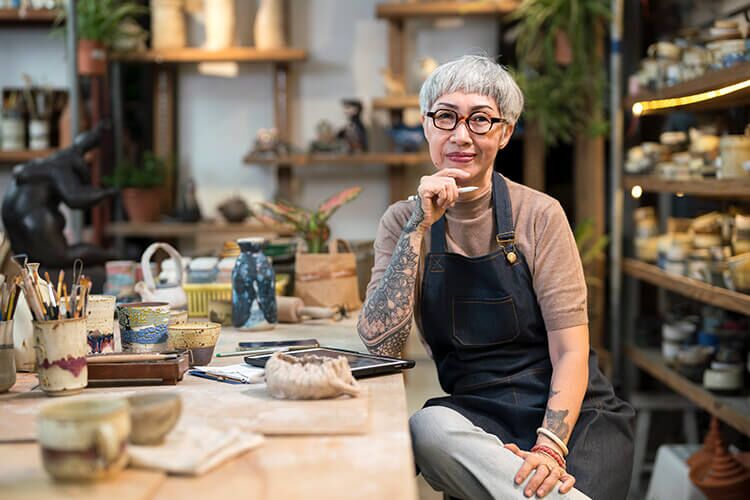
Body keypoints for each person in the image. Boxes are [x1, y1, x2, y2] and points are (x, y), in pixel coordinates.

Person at [357, 55, 634, 500]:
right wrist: (418, 227)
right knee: (427, 428)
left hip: (572, 415)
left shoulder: (540, 214)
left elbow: (571, 350)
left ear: (504, 133)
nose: (461, 135)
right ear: (427, 126)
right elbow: (381, 345)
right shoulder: (400, 222)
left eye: (480, 120)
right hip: (476, 416)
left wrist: (548, 448)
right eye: (446, 117)